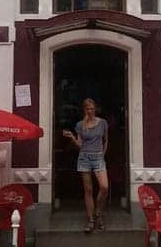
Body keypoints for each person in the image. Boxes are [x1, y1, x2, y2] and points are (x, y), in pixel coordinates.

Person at [62, 98, 109, 233]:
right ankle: (91, 220)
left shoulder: (103, 123)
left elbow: (106, 140)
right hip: (84, 158)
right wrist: (72, 137)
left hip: (98, 157)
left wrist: (102, 154)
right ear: (84, 110)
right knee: (88, 190)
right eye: (87, 109)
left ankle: (98, 213)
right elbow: (80, 144)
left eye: (92, 108)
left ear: (95, 109)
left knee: (104, 187)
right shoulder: (80, 125)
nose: (90, 111)